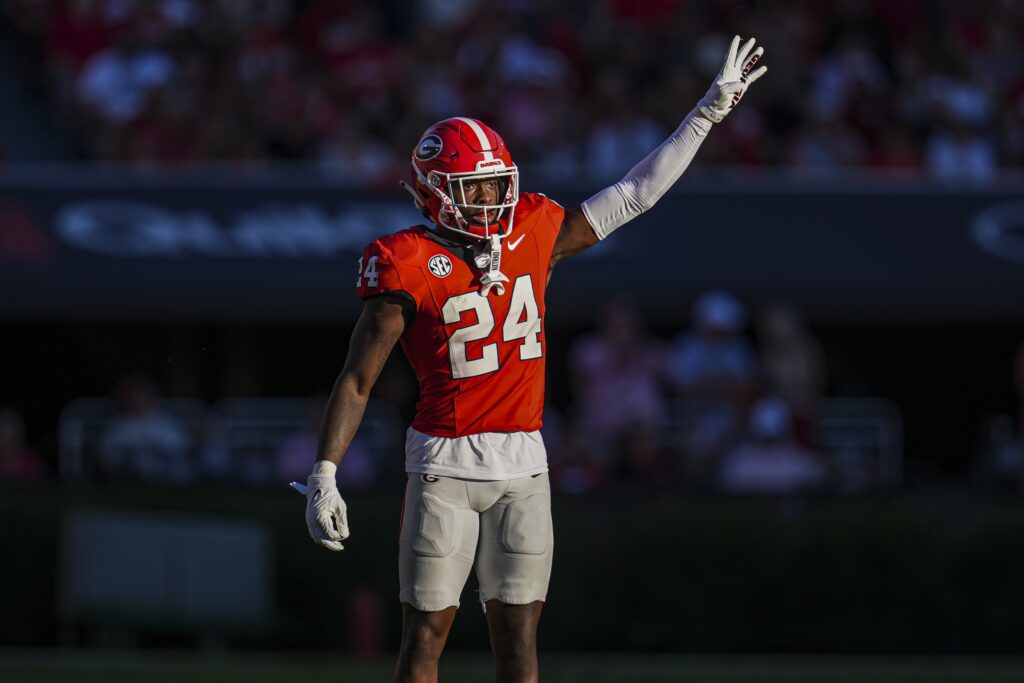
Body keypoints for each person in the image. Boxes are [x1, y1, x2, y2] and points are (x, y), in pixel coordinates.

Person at [300, 36, 766, 683]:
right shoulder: (406, 262)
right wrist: (325, 470)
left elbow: (634, 194)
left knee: (519, 641)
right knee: (424, 640)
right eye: (476, 187)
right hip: (444, 462)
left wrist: (706, 116)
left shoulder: (534, 227)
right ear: (437, 192)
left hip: (525, 459)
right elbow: (358, 376)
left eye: (496, 184)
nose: (492, 199)